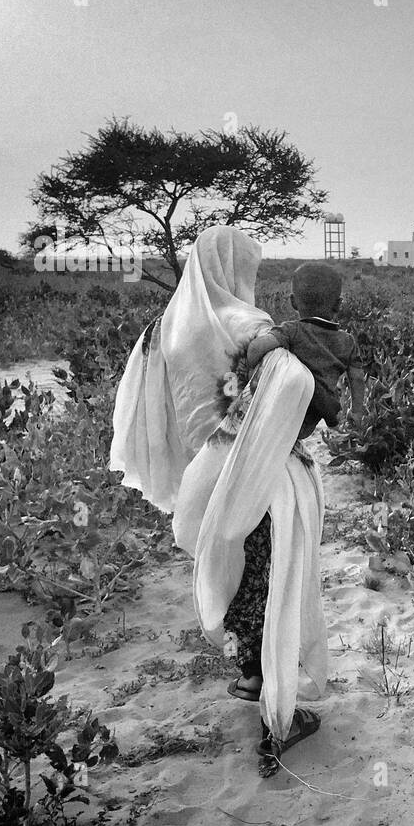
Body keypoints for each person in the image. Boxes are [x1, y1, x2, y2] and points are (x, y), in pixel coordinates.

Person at [110, 226, 327, 776]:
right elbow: (293, 391)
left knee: (235, 574)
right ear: (235, 269)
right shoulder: (250, 325)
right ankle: (279, 720)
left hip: (204, 477)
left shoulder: (163, 330)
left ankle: (251, 675)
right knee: (273, 586)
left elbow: (147, 406)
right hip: (259, 475)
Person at [245, 263, 366, 437]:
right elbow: (357, 378)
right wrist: (357, 412)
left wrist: (251, 369)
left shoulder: (292, 330)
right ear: (338, 304)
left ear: (293, 302)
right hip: (322, 414)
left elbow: (256, 348)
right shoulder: (347, 341)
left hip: (287, 413)